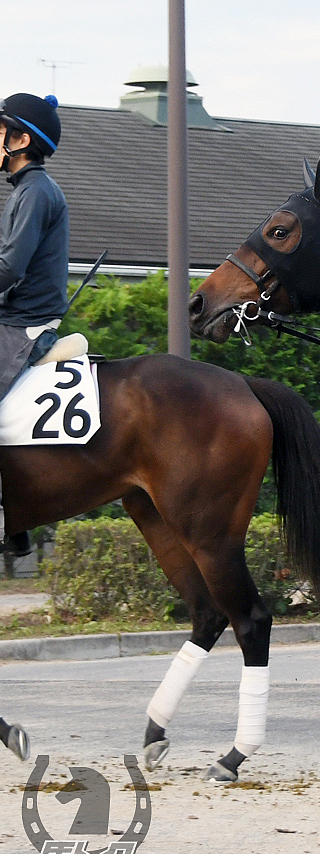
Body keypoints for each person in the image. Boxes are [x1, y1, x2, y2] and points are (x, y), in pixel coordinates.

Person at [0, 93, 68, 555]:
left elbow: (10, 268)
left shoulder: (36, 192)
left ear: (20, 140)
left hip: (24, 325)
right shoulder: (28, 191)